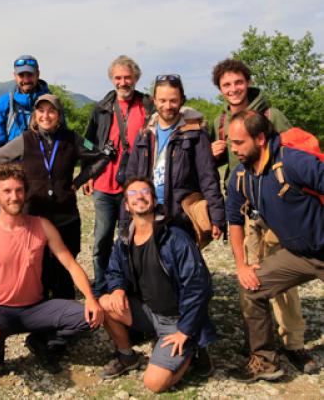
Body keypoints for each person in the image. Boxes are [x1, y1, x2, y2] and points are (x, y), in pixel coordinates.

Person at [210, 59, 312, 373]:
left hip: (277, 208)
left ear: (247, 82)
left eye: (237, 82)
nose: (233, 89)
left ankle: (293, 343)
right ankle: (260, 341)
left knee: (285, 281)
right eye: (226, 85)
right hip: (244, 208)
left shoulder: (270, 115)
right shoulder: (221, 122)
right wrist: (214, 157)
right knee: (252, 276)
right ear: (220, 89)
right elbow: (228, 165)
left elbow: (294, 154)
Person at [0, 164, 104, 376]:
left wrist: (90, 297)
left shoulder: (42, 225)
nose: (14, 196)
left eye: (18, 190)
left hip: (37, 307)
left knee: (90, 318)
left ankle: (41, 342)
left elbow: (70, 264)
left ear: (25, 193)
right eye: (6, 191)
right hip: (0, 309)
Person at [225, 110, 323, 382]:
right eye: (231, 143)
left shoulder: (293, 162)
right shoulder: (240, 176)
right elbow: (233, 220)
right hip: (297, 255)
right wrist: (242, 265)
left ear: (259, 138)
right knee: (250, 286)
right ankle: (265, 362)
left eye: (238, 143)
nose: (234, 149)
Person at [0, 94, 109, 299]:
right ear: (35, 114)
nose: (46, 115)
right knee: (37, 264)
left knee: (66, 262)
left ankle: (67, 313)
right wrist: (14, 186)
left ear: (59, 115)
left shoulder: (74, 138)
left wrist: (79, 181)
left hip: (65, 214)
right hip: (34, 214)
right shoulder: (25, 140)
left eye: (51, 111)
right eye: (41, 111)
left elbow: (100, 156)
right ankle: (39, 310)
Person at [99, 177, 216, 393]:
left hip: (177, 321)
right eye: (132, 194)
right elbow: (114, 270)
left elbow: (199, 287)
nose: (139, 197)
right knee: (104, 303)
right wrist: (117, 289)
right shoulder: (124, 239)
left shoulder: (175, 238)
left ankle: (192, 349)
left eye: (145, 192)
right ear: (126, 205)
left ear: (153, 200)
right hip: (149, 313)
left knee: (154, 384)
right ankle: (126, 356)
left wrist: (185, 330)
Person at [83, 55, 154, 296]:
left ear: (136, 78)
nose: (123, 82)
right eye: (118, 78)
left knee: (132, 237)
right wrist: (88, 174)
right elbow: (88, 142)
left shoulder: (148, 105)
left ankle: (130, 286)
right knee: (102, 239)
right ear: (111, 79)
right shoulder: (101, 108)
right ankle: (102, 286)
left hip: (135, 185)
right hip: (104, 182)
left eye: (128, 77)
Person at [125, 74, 225, 240]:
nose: (168, 106)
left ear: (182, 100)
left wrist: (217, 217)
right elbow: (131, 179)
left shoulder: (195, 133)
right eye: (162, 100)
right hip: (146, 213)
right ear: (154, 100)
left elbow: (208, 177)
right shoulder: (144, 133)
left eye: (173, 100)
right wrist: (125, 220)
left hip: (181, 217)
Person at [0, 55, 49, 156]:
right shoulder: (4, 103)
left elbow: (65, 136)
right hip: (13, 168)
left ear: (37, 74)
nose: (26, 80)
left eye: (30, 74)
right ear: (15, 76)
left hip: (45, 167)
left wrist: (86, 144)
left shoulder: (51, 102)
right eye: (21, 75)